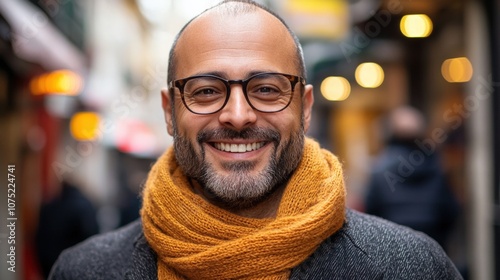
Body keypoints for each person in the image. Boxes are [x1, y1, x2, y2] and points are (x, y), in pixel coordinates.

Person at [49, 1, 463, 279]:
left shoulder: (408, 268)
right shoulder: (85, 270)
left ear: (304, 108)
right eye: (206, 90)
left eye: (266, 89)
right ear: (169, 112)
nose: (237, 116)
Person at [364, 106, 461, 249]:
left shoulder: (380, 168)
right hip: (434, 245)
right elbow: (451, 210)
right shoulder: (437, 165)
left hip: (393, 247)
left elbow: (371, 212)